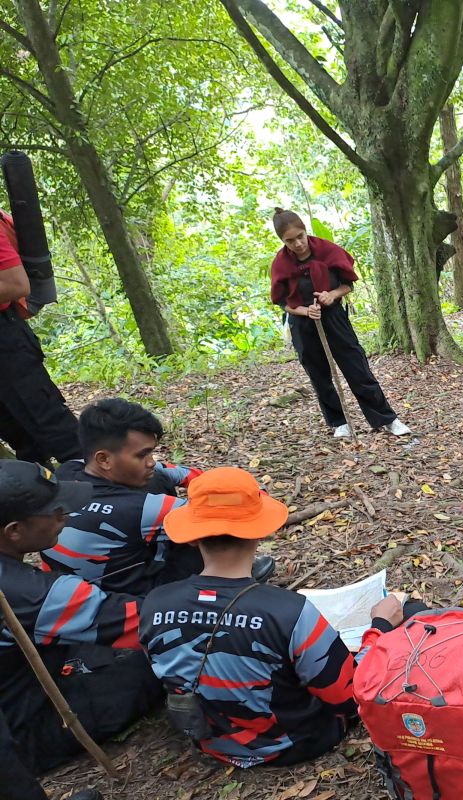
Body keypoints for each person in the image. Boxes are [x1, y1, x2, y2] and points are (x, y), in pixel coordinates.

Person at [139, 467, 406, 768]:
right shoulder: (289, 611)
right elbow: (351, 697)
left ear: (190, 538)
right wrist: (380, 627)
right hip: (293, 744)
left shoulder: (154, 603)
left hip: (208, 741)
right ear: (260, 530)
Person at [0, 460, 161, 800]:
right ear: (14, 531)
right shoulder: (32, 595)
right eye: (57, 511)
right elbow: (154, 622)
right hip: (20, 731)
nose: (67, 516)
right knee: (144, 669)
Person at [43, 398, 275, 595]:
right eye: (142, 454)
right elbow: (227, 514)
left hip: (72, 584)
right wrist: (255, 494)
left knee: (156, 478)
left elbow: (170, 470)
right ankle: (227, 583)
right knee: (206, 534)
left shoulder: (69, 470)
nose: (151, 461)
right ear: (104, 459)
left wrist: (202, 479)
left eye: (151, 452)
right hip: (124, 599)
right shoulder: (143, 509)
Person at [270, 208, 410, 439]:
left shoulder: (327, 250)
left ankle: (386, 419)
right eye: (290, 240)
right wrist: (305, 310)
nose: (298, 244)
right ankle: (339, 422)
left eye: (300, 236)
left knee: (357, 367)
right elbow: (282, 302)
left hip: (333, 317)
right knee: (319, 375)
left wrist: (332, 295)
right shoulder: (281, 264)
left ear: (306, 231)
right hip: (303, 325)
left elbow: (348, 284)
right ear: (282, 241)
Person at [0, 208, 82, 467]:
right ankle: (42, 498)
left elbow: (17, 285)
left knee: (53, 427)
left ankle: (110, 496)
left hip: (5, 342)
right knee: (20, 437)